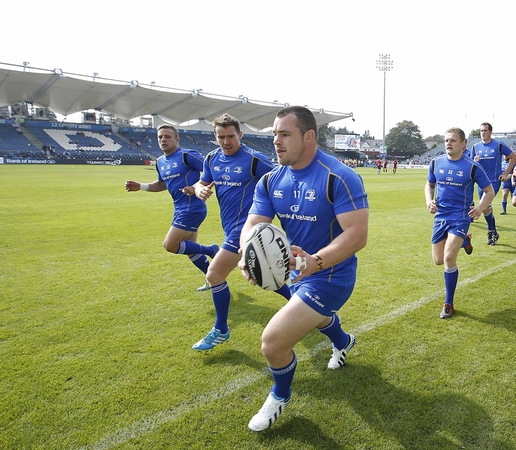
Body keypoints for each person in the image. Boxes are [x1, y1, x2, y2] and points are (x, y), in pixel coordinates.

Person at [241, 106, 369, 432]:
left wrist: (317, 261)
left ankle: (280, 395)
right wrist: (248, 252)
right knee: (314, 316)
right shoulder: (271, 180)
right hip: (295, 272)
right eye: (274, 134)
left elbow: (357, 234)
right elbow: (254, 224)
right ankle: (343, 341)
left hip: (331, 275)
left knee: (273, 341)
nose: (276, 141)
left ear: (308, 136)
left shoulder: (339, 176)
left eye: (284, 134)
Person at [190, 113, 290, 351]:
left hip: (247, 229)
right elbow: (200, 183)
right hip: (229, 228)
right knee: (264, 273)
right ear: (215, 137)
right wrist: (198, 191)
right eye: (221, 137)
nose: (226, 142)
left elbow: (282, 177)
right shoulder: (212, 158)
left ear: (240, 135)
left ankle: (221, 329)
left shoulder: (255, 160)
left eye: (230, 136)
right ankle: (301, 304)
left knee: (214, 275)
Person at [124, 124, 218, 291]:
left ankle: (211, 250)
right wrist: (142, 186)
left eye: (167, 136)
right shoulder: (160, 162)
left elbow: (211, 171)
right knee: (190, 250)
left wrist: (196, 186)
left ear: (177, 139)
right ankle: (213, 280)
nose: (163, 140)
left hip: (193, 207)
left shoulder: (187, 155)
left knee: (170, 245)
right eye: (160, 137)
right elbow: (161, 184)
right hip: (179, 208)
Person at [425, 127, 493, 319]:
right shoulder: (435, 163)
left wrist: (480, 208)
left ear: (463, 144)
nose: (448, 143)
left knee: (448, 259)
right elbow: (429, 185)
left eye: (453, 140)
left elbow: (489, 191)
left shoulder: (472, 167)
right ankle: (464, 241)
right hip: (440, 217)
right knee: (438, 260)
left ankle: (448, 303)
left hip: (461, 216)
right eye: (447, 140)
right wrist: (429, 200)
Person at [468, 122, 516, 245]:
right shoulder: (475, 147)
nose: (483, 133)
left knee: (483, 206)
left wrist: (506, 174)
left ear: (490, 132)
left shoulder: (498, 145)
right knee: (486, 208)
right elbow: (470, 164)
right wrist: (474, 161)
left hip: (494, 181)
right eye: (481, 131)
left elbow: (514, 157)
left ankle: (491, 231)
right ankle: (493, 231)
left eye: (485, 130)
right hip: (481, 182)